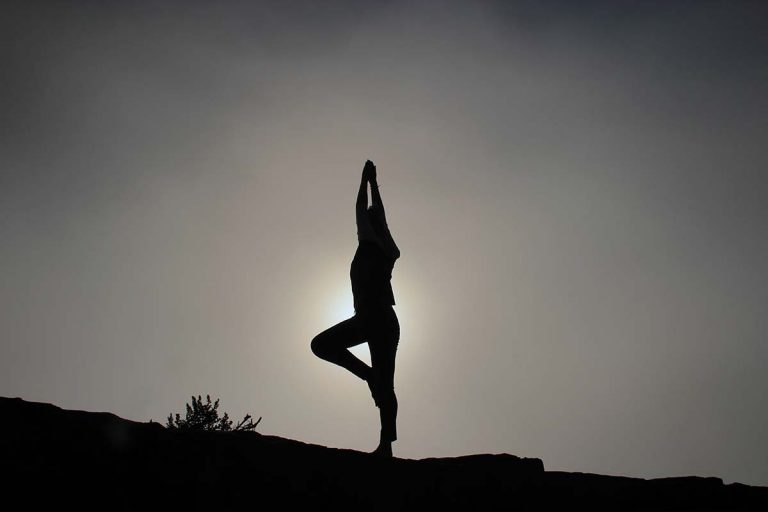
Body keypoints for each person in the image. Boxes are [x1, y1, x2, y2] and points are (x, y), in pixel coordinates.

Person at [310, 159, 401, 457]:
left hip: (372, 317)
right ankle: (386, 445)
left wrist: (365, 182)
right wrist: (374, 184)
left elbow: (365, 210)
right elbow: (379, 214)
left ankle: (369, 378)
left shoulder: (371, 242)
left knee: (321, 345)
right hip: (385, 320)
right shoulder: (389, 250)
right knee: (386, 385)